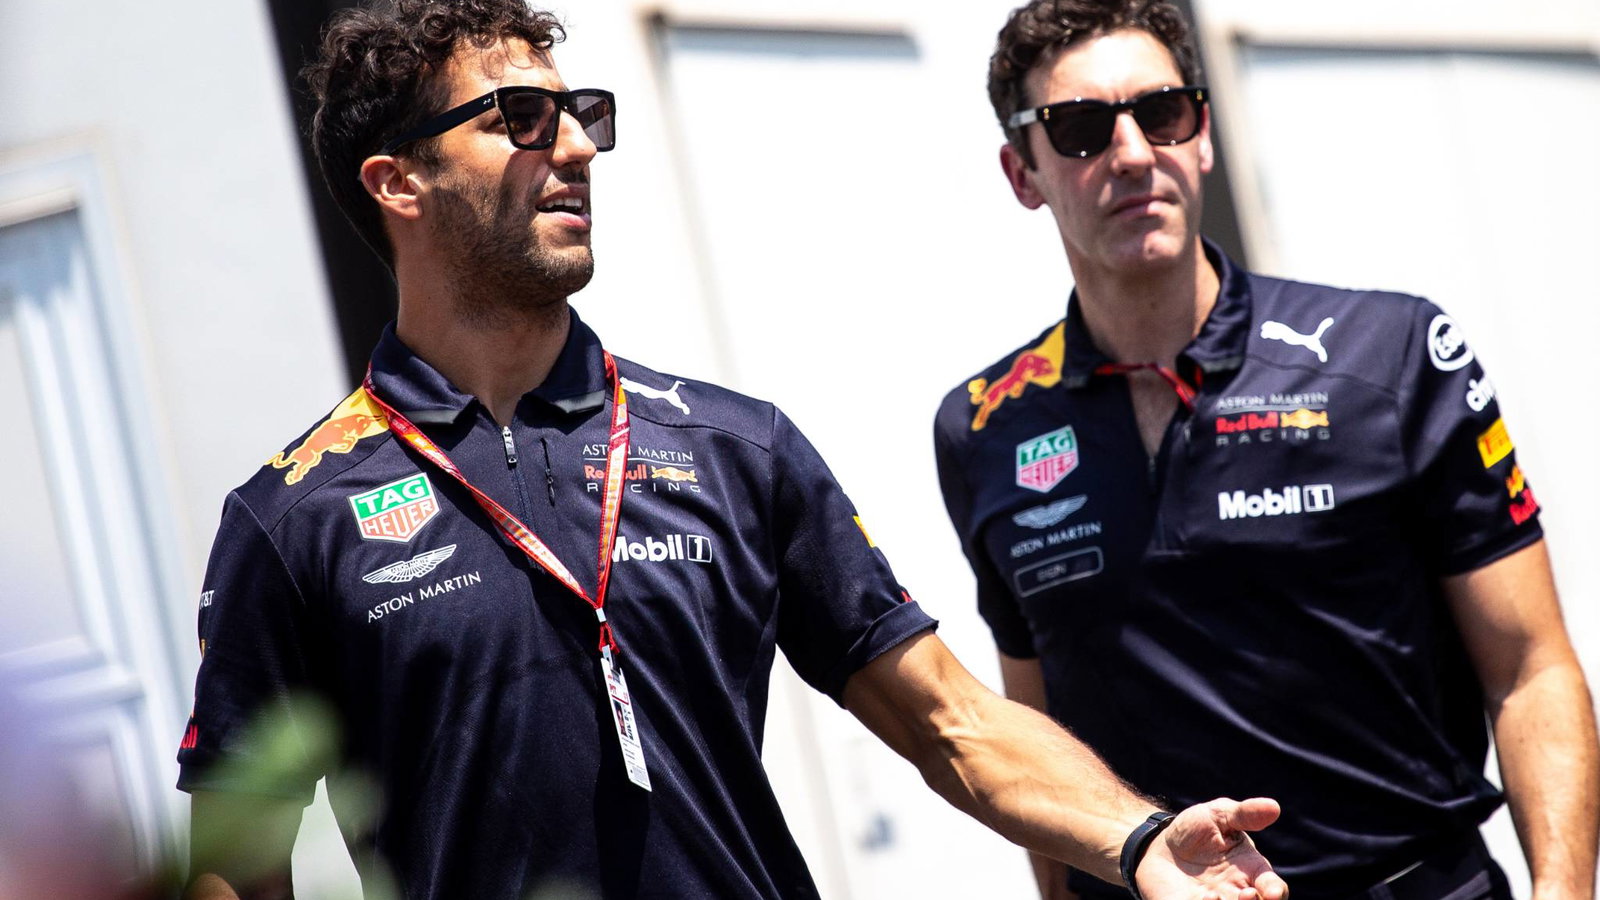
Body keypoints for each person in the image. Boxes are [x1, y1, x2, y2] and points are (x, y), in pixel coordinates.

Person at [176, 2, 1293, 899]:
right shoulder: (296, 517)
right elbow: (237, 855)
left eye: (582, 115)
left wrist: (1137, 838)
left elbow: (949, 722)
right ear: (398, 182)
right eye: (520, 118)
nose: (576, 147)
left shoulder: (732, 449)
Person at [933, 1, 1599, 899]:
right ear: (1023, 173)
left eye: (1162, 113)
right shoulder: (985, 427)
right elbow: (1037, 738)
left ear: (1202, 134)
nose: (1132, 153)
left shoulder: (1390, 355)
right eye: (1081, 128)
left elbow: (1529, 670)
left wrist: (1565, 890)